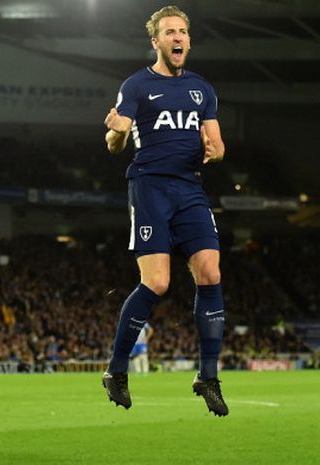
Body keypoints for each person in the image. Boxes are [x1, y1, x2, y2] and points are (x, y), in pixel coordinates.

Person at [102, 5, 228, 416]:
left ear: (189, 40)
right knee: (157, 283)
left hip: (189, 187)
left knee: (211, 271)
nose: (178, 38)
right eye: (169, 32)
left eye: (183, 32)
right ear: (155, 41)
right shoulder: (137, 85)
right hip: (151, 187)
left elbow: (218, 143)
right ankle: (117, 370)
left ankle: (208, 376)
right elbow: (114, 139)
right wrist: (117, 134)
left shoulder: (202, 90)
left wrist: (216, 150)